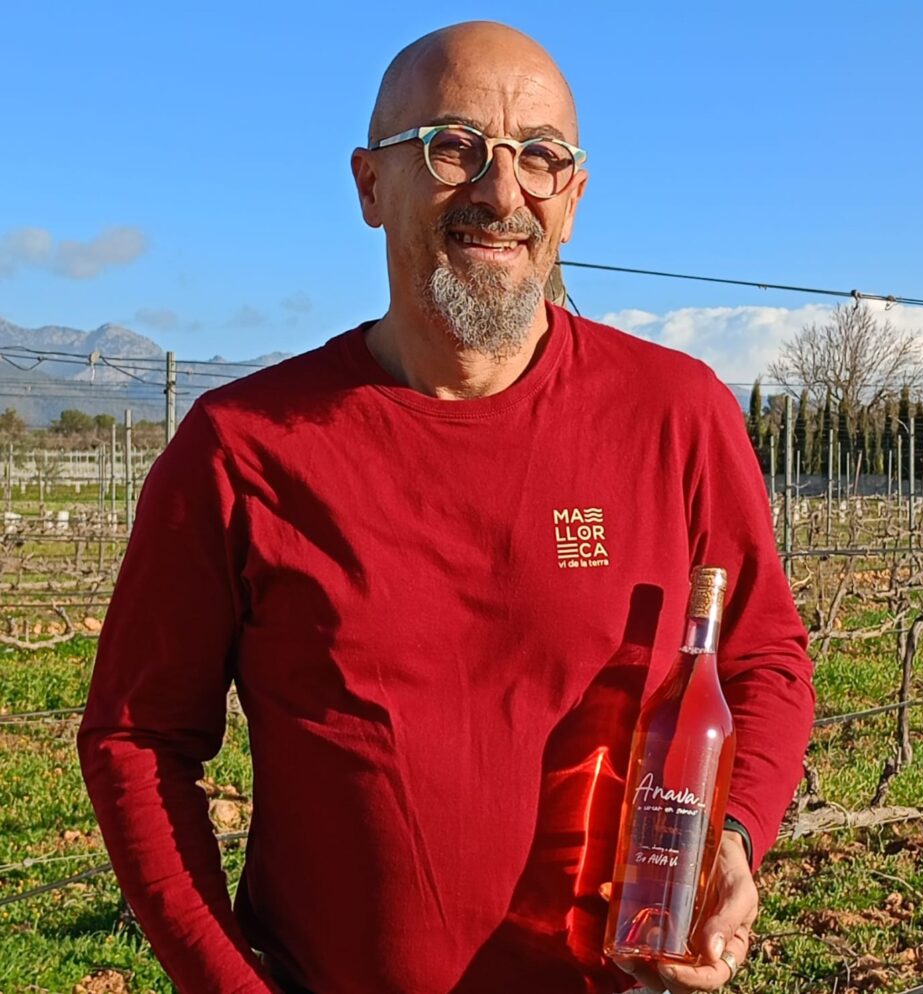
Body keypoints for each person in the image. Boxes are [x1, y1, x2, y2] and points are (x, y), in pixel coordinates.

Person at [78, 20, 815, 994]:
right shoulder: (240, 448)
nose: (502, 193)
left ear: (573, 200)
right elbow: (136, 737)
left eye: (541, 157)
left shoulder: (676, 414)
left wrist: (731, 833)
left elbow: (763, 659)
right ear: (369, 185)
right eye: (453, 146)